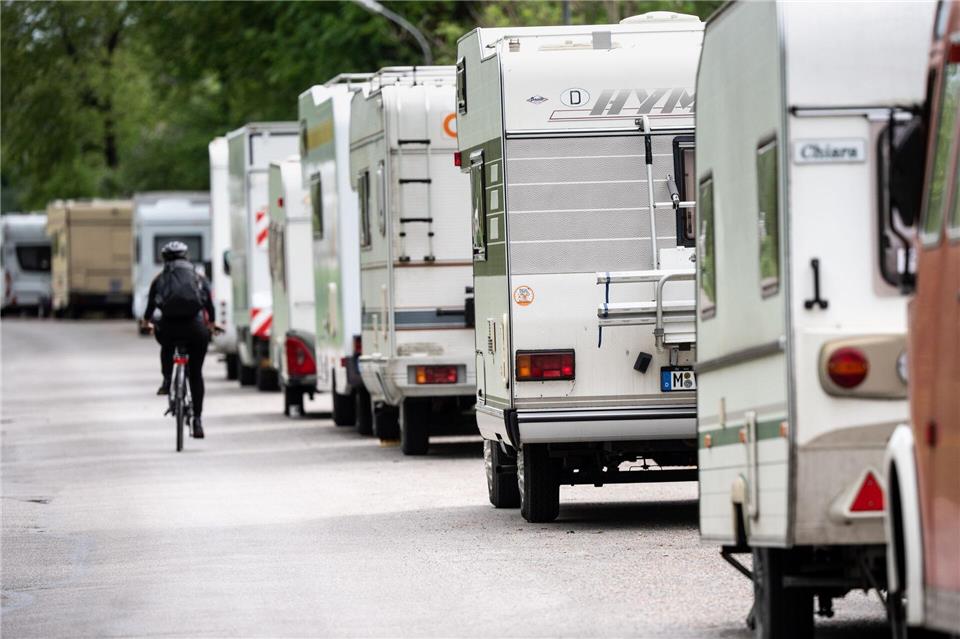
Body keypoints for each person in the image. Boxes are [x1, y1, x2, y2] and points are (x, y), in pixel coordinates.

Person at [140, 241, 217, 439]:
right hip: (196, 328)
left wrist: (147, 323)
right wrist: (212, 324)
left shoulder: (160, 279)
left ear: (165, 259)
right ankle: (198, 420)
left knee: (166, 345)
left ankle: (167, 380)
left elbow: (150, 309)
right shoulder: (198, 277)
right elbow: (209, 305)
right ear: (186, 256)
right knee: (196, 374)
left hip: (170, 327)